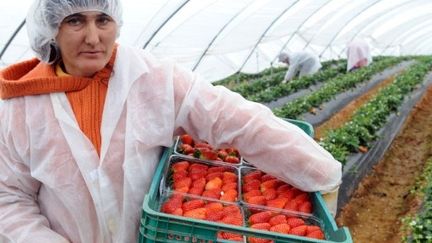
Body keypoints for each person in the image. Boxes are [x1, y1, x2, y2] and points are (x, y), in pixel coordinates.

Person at [0, 0, 342, 242]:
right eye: (75, 21)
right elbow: (9, 198)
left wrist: (320, 171)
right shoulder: (19, 109)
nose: (93, 37)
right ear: (51, 29)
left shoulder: (153, 79)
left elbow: (235, 119)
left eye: (102, 20)